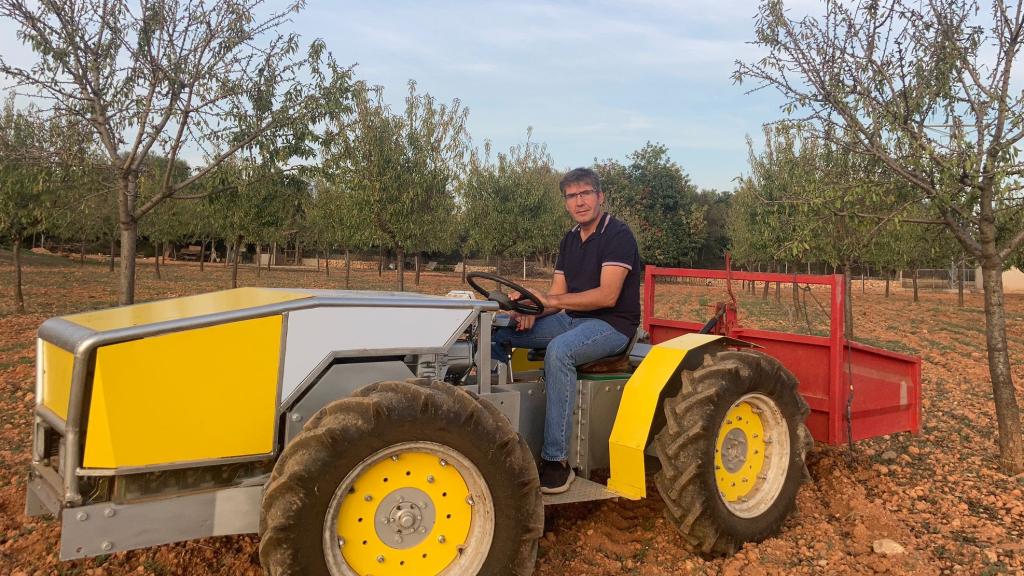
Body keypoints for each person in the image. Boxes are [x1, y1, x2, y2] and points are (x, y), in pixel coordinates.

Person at [491, 167, 641, 494]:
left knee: (560, 351)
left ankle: (556, 460)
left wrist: (552, 301)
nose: (579, 201)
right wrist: (531, 309)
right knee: (498, 332)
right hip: (570, 319)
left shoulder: (618, 235)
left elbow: (607, 296)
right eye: (571, 196)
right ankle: (491, 429)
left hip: (612, 325)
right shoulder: (570, 239)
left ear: (600, 197)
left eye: (585, 193)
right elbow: (556, 296)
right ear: (566, 202)